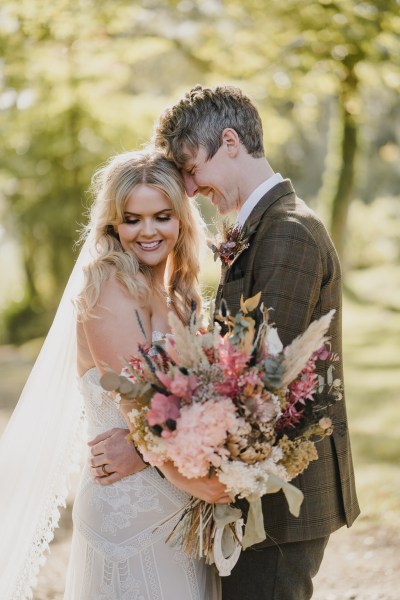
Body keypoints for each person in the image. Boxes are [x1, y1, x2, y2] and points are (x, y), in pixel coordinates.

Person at [97, 85, 360, 599]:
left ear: (231, 142)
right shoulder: (262, 228)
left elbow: (255, 389)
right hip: (254, 487)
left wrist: (143, 449)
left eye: (192, 168)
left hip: (282, 503)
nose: (190, 189)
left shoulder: (287, 232)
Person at [0, 149, 222, 599]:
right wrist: (212, 483)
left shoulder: (181, 293)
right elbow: (143, 412)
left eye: (161, 216)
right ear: (113, 226)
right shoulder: (106, 289)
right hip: (129, 509)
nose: (147, 231)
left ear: (181, 219)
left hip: (182, 503)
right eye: (132, 219)